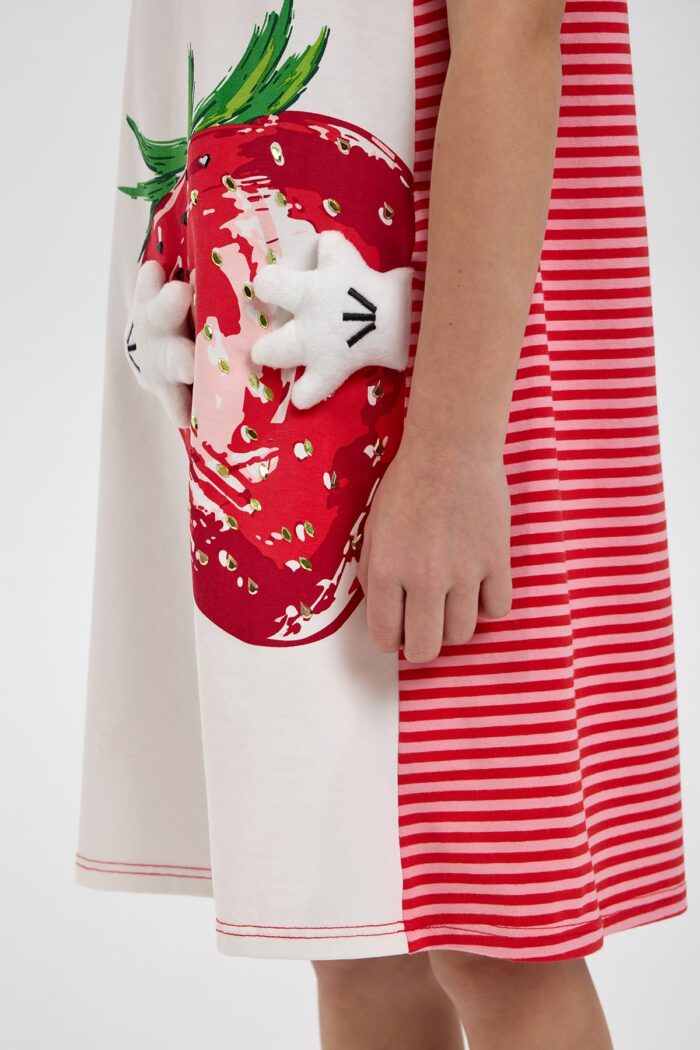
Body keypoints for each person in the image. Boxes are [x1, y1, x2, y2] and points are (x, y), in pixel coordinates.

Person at [75, 1, 688, 1047]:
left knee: (501, 936)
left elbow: (514, 29)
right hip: (266, 383)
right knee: (355, 934)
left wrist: (452, 451)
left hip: (438, 380)